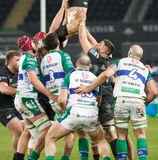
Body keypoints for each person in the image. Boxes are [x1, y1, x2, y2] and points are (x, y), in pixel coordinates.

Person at [76, 45, 158, 160]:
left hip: (121, 100)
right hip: (138, 101)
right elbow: (154, 92)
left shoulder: (120, 62)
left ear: (129, 53)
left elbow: (106, 75)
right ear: (140, 57)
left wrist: (89, 88)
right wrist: (143, 104)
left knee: (121, 135)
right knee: (140, 135)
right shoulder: (144, 69)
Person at [77, 9, 134, 160]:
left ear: (102, 50)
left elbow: (82, 38)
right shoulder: (107, 59)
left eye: (99, 44)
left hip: (100, 96)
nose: (97, 44)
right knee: (98, 131)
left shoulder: (96, 58)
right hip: (109, 95)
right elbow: (94, 42)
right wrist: (85, 25)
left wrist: (81, 22)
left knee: (108, 133)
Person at [45, 55, 111, 160]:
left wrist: (64, 109)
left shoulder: (70, 76)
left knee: (50, 137)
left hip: (74, 111)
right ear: (90, 65)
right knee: (100, 141)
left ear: (76, 63)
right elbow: (99, 101)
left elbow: (62, 100)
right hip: (91, 113)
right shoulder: (95, 79)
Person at [14, 36, 58, 160]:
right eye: (33, 42)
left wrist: (39, 50)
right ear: (29, 46)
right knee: (47, 129)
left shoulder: (24, 58)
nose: (35, 44)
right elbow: (33, 80)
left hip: (21, 98)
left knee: (34, 134)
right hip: (28, 99)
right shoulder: (29, 59)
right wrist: (50, 95)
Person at [40, 32, 79, 160]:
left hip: (54, 101)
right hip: (65, 98)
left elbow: (43, 83)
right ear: (58, 43)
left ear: (45, 47)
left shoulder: (42, 61)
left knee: (65, 129)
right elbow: (71, 73)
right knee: (73, 131)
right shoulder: (63, 55)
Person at [0, 50, 28, 154]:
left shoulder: (19, 74)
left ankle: (20, 155)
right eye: (17, 60)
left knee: (27, 131)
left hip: (16, 107)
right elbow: (4, 89)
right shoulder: (2, 74)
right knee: (19, 130)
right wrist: (21, 91)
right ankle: (17, 156)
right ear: (10, 62)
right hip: (2, 109)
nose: (20, 62)